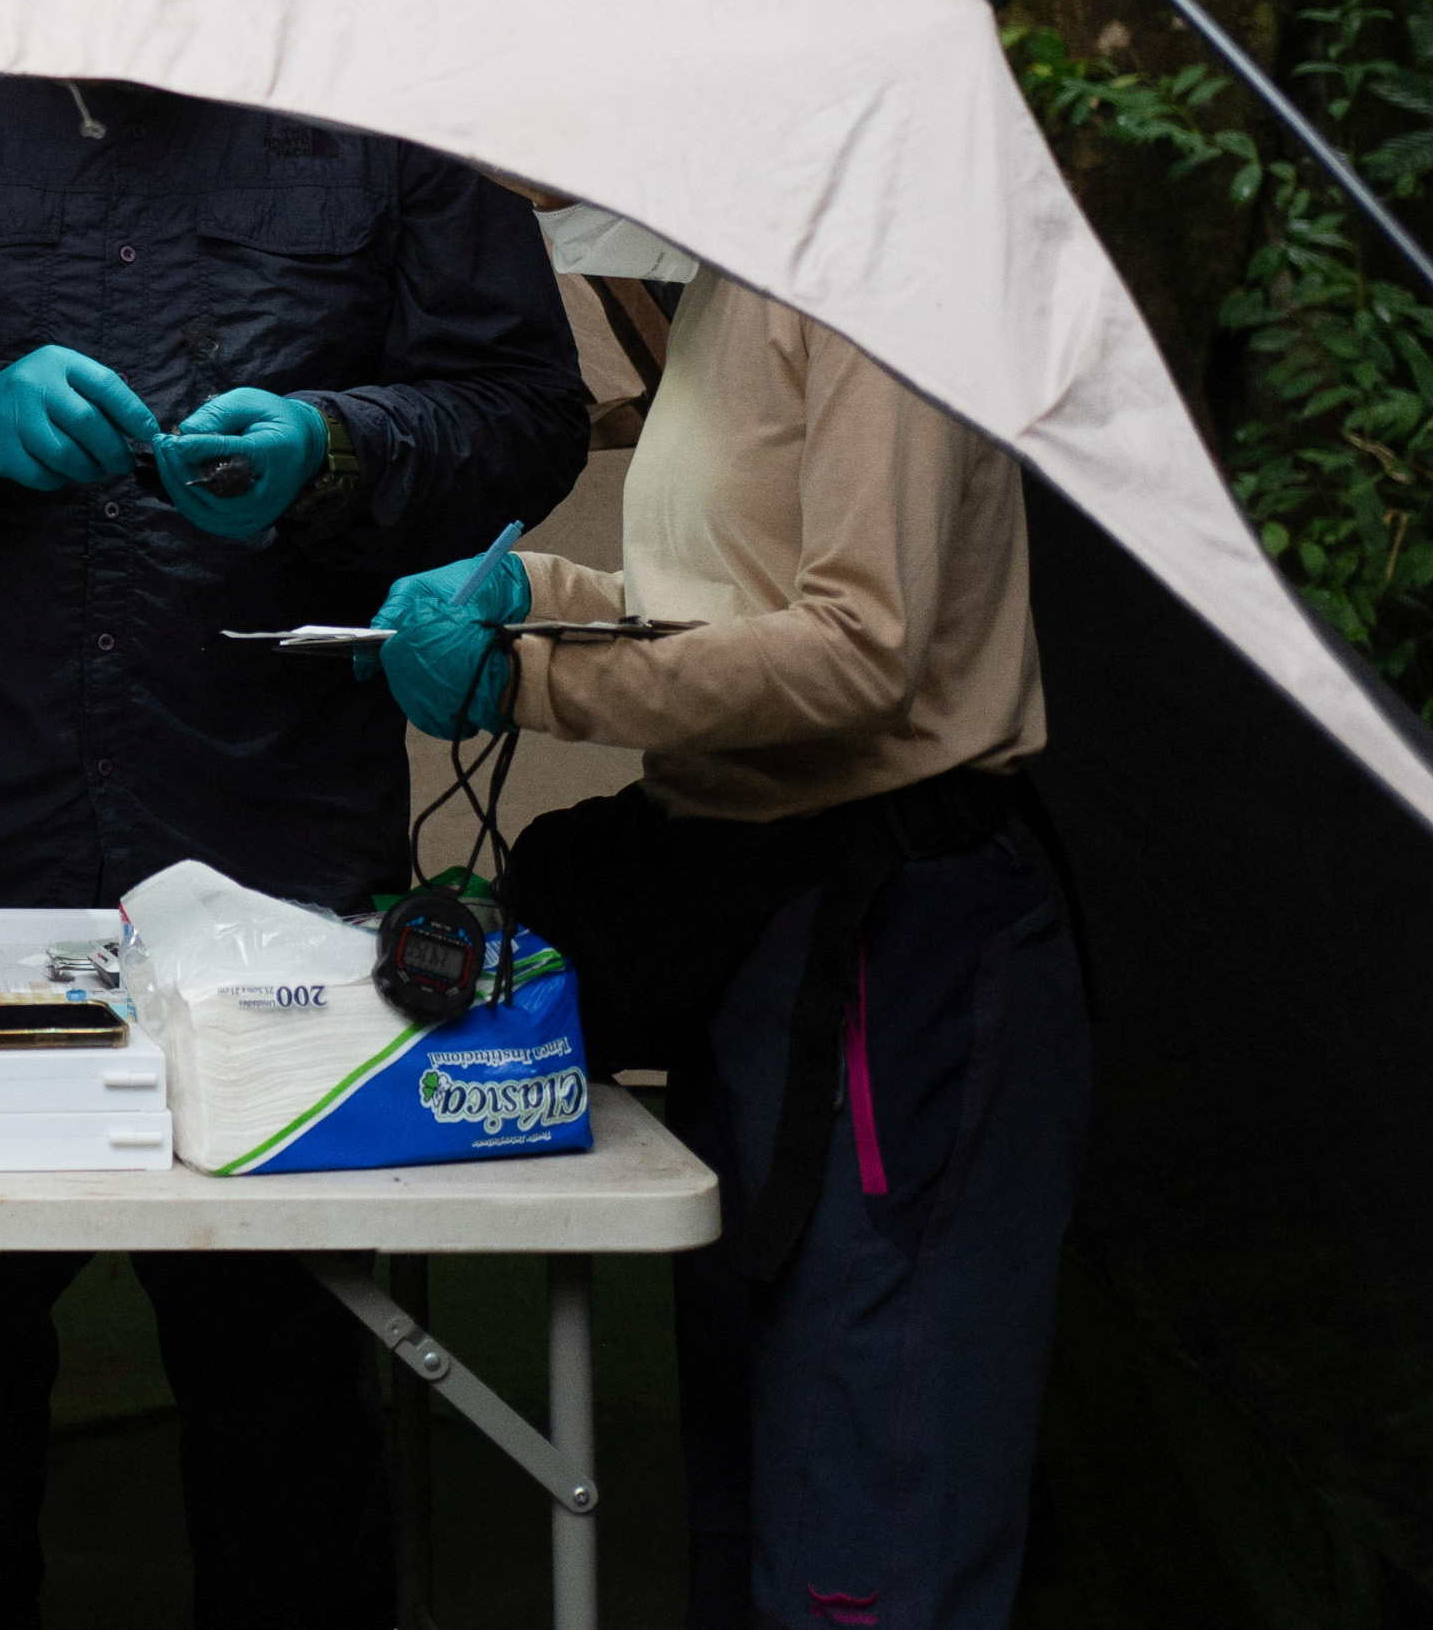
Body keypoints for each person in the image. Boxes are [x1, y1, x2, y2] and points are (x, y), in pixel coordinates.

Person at [0, 65, 591, 1630]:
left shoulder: (374, 78)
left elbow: (523, 410)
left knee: (292, 1408)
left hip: (278, 869)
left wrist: (335, 445)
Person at [382, 263, 1078, 1630]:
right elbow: (729, 595)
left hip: (902, 953)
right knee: (760, 1464)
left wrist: (535, 670)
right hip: (758, 923)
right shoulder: (724, 280)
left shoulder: (879, 274)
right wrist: (536, 590)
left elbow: (864, 645)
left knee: (869, 1488)